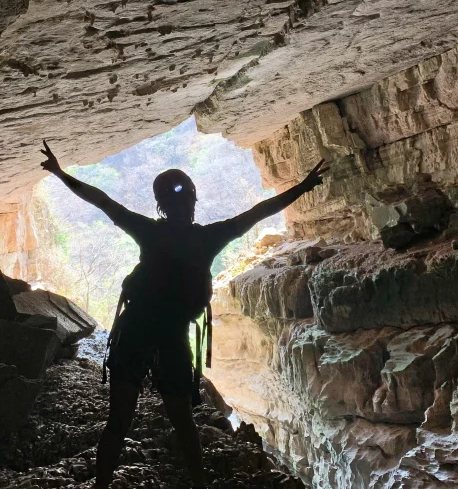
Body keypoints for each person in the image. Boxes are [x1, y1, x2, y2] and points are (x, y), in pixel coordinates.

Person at [39, 140, 327, 489]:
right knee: (182, 423)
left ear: (160, 205)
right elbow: (259, 212)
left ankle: (103, 485)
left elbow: (103, 202)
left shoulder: (150, 231)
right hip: (170, 338)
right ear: (192, 200)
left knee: (120, 421)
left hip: (135, 333)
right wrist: (303, 186)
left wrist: (59, 173)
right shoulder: (208, 238)